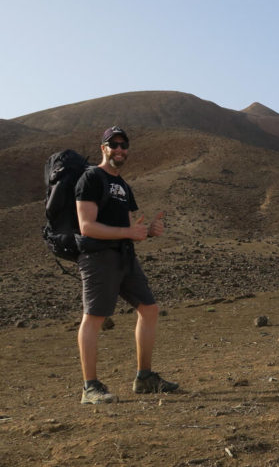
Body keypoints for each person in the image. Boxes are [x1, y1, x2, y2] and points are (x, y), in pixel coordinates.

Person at [75, 126, 178, 404]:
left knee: (149, 309)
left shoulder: (122, 186)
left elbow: (127, 228)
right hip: (98, 258)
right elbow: (87, 227)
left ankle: (144, 378)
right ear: (103, 148)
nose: (119, 149)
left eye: (123, 145)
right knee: (94, 318)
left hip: (124, 256)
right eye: (113, 144)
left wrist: (148, 231)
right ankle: (90, 388)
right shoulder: (91, 178)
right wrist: (128, 233)